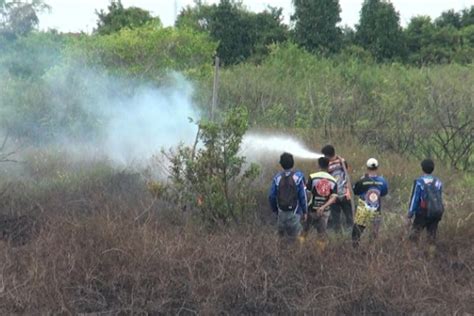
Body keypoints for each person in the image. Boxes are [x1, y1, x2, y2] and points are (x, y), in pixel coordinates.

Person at [269, 152, 308, 240]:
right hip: (295, 214)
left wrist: (275, 210)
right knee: (298, 239)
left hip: (281, 214)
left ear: (281, 164)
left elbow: (271, 196)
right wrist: (305, 212)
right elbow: (303, 197)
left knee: (281, 240)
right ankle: (299, 253)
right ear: (292, 163)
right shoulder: (298, 177)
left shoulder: (277, 178)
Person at [351, 158, 389, 247]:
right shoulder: (382, 181)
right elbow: (384, 193)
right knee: (374, 234)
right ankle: (371, 251)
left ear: (367, 167)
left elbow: (355, 191)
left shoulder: (362, 180)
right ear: (377, 167)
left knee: (356, 233)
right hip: (376, 210)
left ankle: (355, 251)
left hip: (363, 210)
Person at [408, 159, 444, 243]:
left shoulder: (419, 182)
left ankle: (414, 254)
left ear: (422, 168)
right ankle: (431, 254)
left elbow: (415, 199)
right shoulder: (438, 182)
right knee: (431, 237)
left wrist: (410, 213)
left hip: (422, 212)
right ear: (433, 168)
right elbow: (439, 197)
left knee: (414, 236)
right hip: (436, 212)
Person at [304, 157, 338, 244]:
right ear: (328, 166)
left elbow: (307, 194)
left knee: (305, 231)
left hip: (312, 209)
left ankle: (300, 250)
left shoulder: (312, 177)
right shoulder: (333, 180)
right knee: (321, 235)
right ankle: (319, 255)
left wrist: (304, 209)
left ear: (318, 165)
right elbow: (334, 197)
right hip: (325, 212)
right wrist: (323, 207)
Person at [321, 145, 353, 233]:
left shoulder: (329, 164)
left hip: (338, 196)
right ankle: (345, 235)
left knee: (340, 218)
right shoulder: (342, 161)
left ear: (327, 156)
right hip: (340, 195)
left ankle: (342, 234)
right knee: (346, 217)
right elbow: (347, 176)